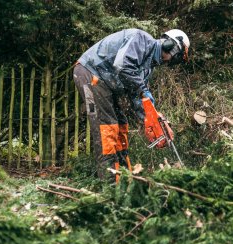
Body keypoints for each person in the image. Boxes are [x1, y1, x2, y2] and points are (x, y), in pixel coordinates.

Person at [73, 28, 190, 182]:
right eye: (173, 57)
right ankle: (110, 184)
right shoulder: (140, 39)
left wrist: (152, 118)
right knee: (107, 127)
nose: (169, 61)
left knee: (121, 125)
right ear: (170, 46)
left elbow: (137, 96)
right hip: (90, 73)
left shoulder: (148, 68)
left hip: (107, 82)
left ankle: (125, 178)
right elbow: (123, 66)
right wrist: (143, 90)